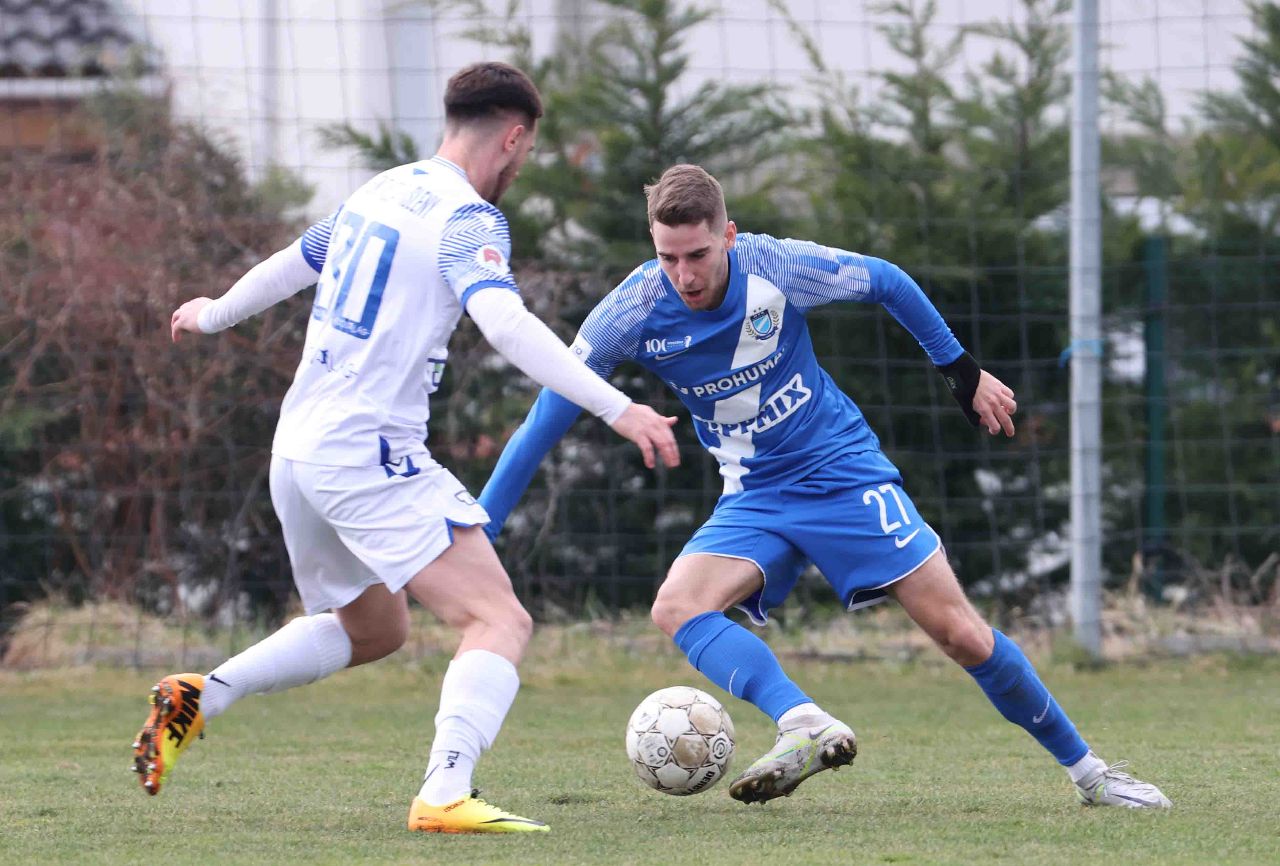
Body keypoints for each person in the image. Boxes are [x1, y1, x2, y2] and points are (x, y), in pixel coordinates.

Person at [478, 164, 1171, 809]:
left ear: (728, 235)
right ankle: (804, 722)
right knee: (677, 607)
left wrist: (962, 372)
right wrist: (485, 525)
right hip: (754, 494)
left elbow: (886, 281)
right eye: (668, 258)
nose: (684, 275)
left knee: (960, 634)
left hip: (841, 473)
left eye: (698, 255)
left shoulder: (776, 267)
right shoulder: (631, 310)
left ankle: (1091, 774)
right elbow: (548, 413)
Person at [134, 62, 680, 834]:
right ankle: (446, 792)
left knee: (377, 630)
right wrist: (618, 408)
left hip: (298, 451)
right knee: (498, 620)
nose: (522, 166)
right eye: (527, 152)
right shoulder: (469, 220)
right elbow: (505, 323)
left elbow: (296, 261)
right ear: (513, 138)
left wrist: (215, 312)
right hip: (367, 453)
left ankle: (201, 694)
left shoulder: (380, 190)